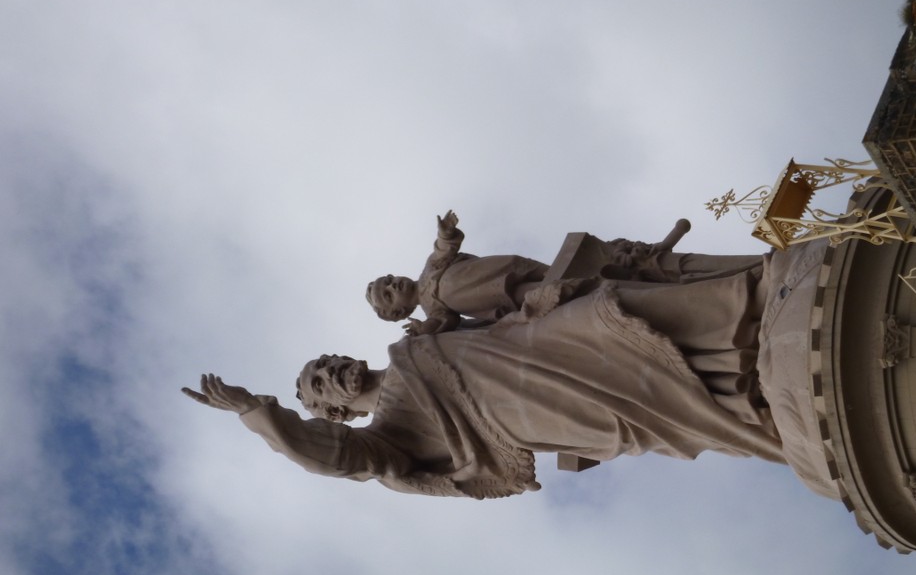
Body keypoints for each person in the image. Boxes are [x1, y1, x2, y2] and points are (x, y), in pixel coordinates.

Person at [184, 269, 785, 500]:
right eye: (320, 385)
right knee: (642, 414)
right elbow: (334, 459)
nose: (329, 372)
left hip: (535, 343)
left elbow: (470, 299)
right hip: (523, 409)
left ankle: (755, 307)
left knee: (614, 308)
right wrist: (257, 412)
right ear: (334, 411)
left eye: (323, 363)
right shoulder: (383, 438)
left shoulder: (410, 346)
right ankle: (753, 414)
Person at [365, 210, 549, 335]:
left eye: (389, 280)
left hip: (491, 269)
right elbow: (444, 321)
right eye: (389, 295)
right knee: (522, 295)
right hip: (489, 297)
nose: (393, 285)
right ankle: (548, 291)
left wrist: (445, 234)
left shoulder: (430, 268)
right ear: (400, 312)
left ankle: (551, 274)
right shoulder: (432, 308)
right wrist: (423, 329)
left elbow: (443, 251)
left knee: (520, 267)